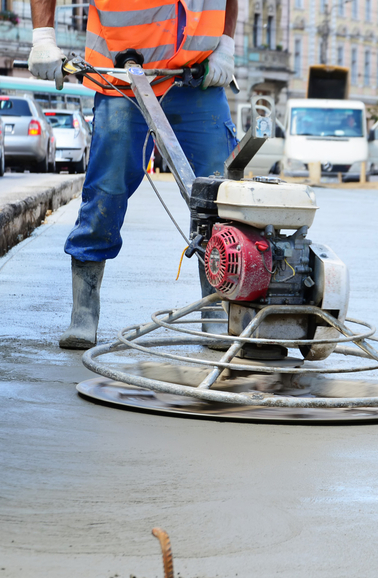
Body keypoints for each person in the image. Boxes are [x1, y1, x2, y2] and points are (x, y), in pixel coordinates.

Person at [27, 0, 239, 349]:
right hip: (121, 78)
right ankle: (84, 310)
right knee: (106, 193)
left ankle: (216, 308)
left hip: (195, 78)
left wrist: (225, 45)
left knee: (218, 199)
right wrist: (43, 37)